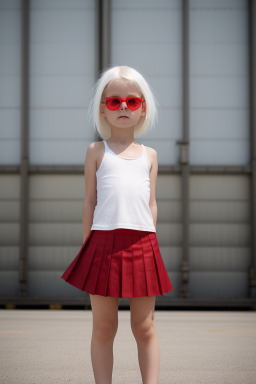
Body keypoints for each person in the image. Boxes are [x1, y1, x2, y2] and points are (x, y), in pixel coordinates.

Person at [61, 65, 174, 384]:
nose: (123, 107)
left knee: (145, 326)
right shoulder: (96, 151)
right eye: (114, 102)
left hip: (143, 244)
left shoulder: (150, 155)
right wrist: (88, 245)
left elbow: (151, 202)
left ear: (142, 109)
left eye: (132, 102)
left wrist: (152, 242)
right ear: (103, 109)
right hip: (101, 246)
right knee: (104, 326)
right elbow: (89, 201)